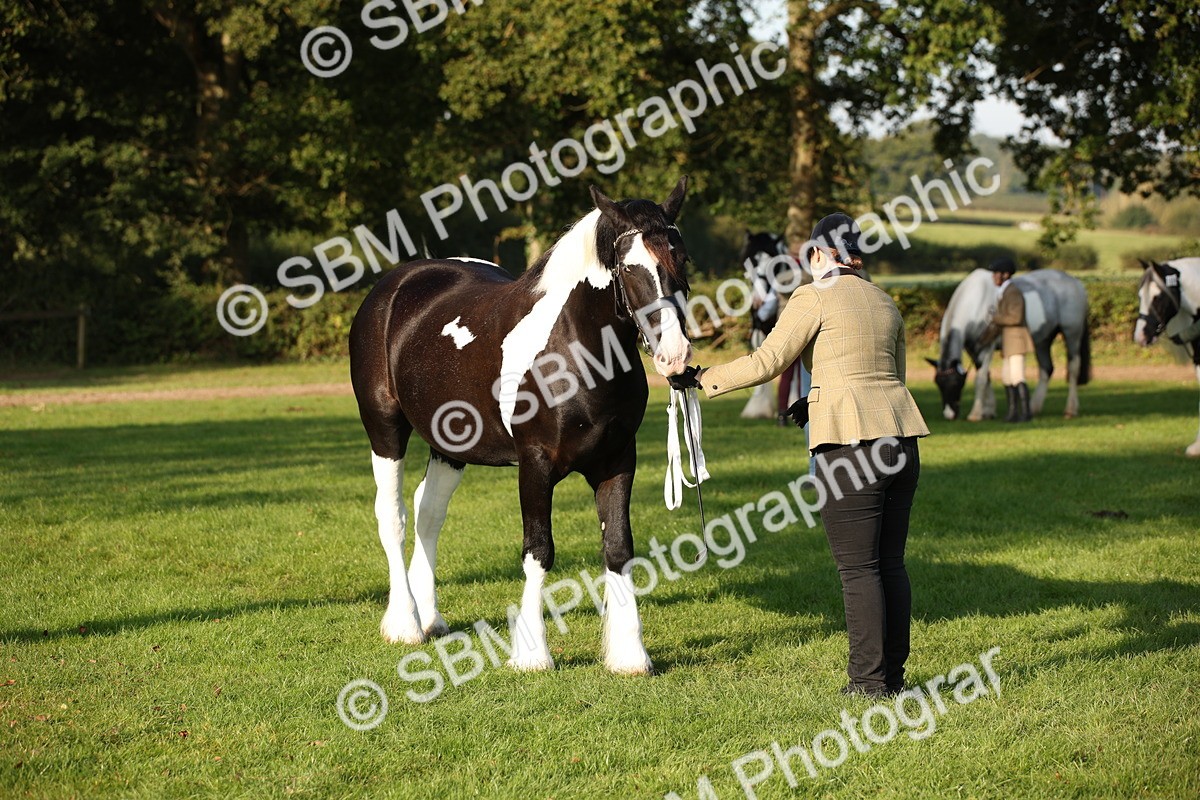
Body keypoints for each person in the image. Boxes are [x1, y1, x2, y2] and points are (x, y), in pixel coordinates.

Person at [670, 213, 930, 698]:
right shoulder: (885, 301)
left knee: (858, 570)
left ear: (817, 255)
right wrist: (811, 402)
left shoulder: (812, 295)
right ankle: (892, 676)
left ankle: (869, 684)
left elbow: (768, 361)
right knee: (891, 563)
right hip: (902, 439)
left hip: (850, 446)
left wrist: (701, 376)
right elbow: (887, 376)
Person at [977, 257, 1034, 422]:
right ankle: (1013, 413)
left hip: (1016, 339)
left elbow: (1016, 317)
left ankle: (1026, 412)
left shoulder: (1013, 292)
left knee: (1017, 376)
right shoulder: (1003, 293)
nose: (994, 277)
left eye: (996, 274)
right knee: (1007, 377)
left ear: (1005, 275)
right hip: (1008, 342)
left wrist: (996, 318)